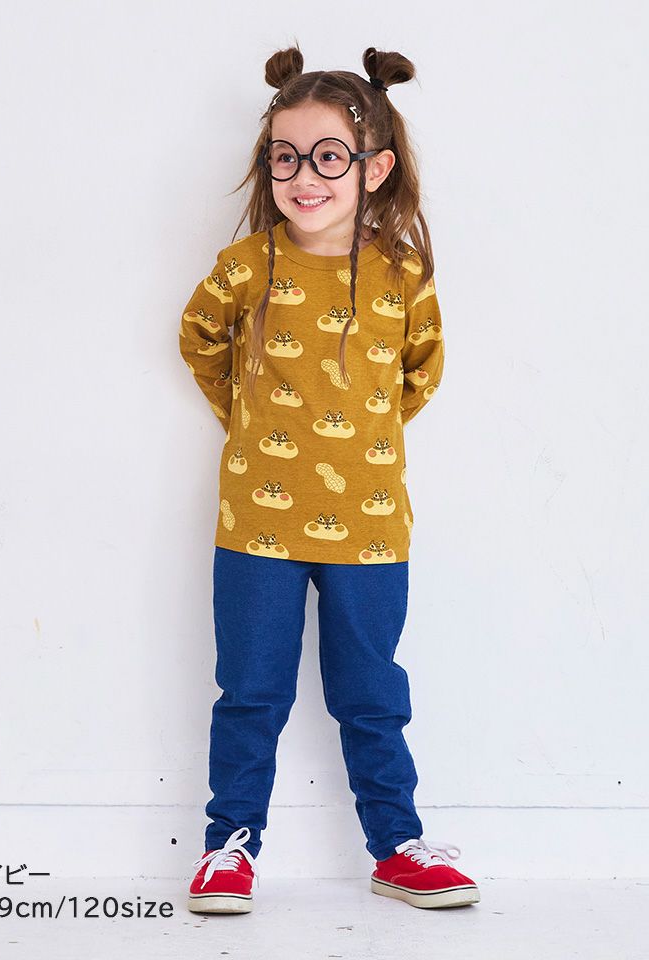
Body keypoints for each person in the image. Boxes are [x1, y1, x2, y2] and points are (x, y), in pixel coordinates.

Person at [178, 43, 480, 914]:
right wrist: (251, 422)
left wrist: (359, 446)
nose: (304, 177)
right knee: (250, 693)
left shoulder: (403, 274)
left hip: (372, 531)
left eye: (327, 158)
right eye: (286, 157)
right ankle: (228, 847)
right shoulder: (246, 266)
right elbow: (199, 339)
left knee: (372, 696)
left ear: (374, 168)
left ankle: (397, 846)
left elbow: (420, 373)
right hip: (255, 529)